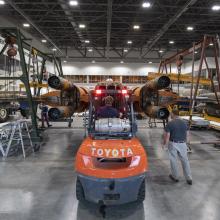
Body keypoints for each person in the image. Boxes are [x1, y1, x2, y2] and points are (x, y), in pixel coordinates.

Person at [163, 109, 192, 185]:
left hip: (173, 143)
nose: (170, 115)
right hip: (183, 144)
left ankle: (175, 177)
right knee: (185, 161)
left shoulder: (170, 123)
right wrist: (187, 144)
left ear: (173, 114)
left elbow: (167, 136)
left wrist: (164, 145)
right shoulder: (185, 123)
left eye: (171, 114)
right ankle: (189, 178)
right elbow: (188, 134)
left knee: (173, 160)